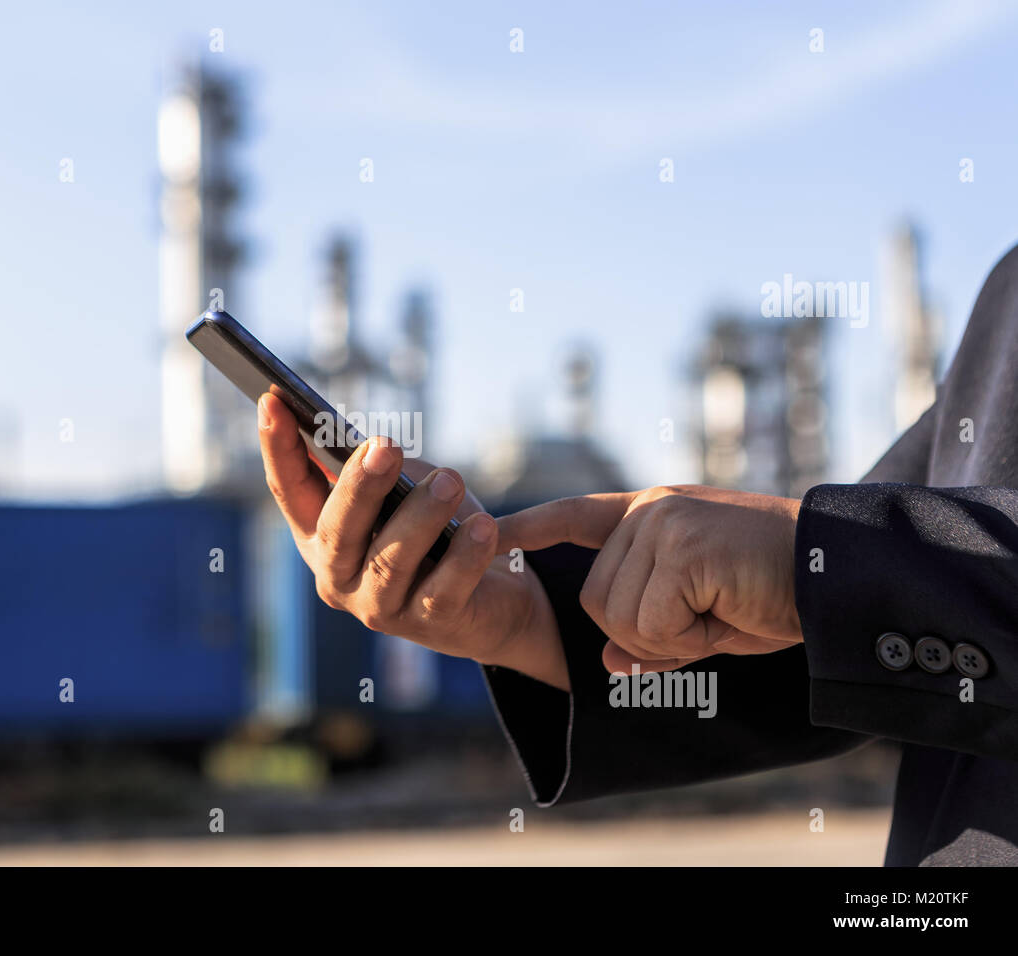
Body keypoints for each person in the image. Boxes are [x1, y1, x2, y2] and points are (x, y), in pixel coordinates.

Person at [255, 244, 1018, 867]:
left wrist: (811, 561)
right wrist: (527, 617)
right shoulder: (1007, 299)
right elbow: (846, 645)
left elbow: (854, 584)